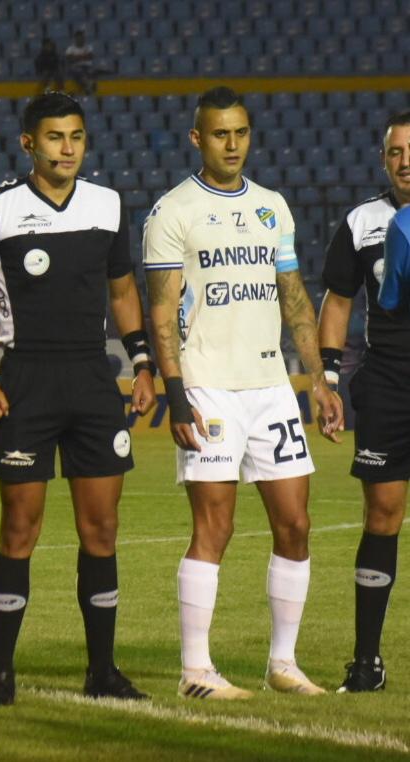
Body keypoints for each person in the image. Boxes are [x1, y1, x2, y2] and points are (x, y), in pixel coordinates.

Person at [143, 86, 344, 700]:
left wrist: (318, 379)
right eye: (220, 134)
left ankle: (283, 663)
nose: (232, 144)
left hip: (270, 387)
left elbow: (294, 298)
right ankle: (196, 670)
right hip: (208, 388)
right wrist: (177, 395)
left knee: (297, 525)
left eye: (241, 133)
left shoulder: (272, 207)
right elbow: (160, 311)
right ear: (197, 139)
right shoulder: (172, 212)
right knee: (216, 527)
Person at [0, 92, 155, 706]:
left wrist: (143, 361)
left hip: (93, 380)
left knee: (102, 529)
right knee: (19, 529)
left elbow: (123, 293)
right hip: (25, 381)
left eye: (75, 136)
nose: (67, 147)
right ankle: (0, 676)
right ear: (29, 143)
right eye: (54, 137)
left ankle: (102, 672)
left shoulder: (108, 204)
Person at [320, 110, 410, 693]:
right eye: (397, 151)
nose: (407, 160)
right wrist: (326, 377)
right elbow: (337, 300)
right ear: (384, 159)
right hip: (389, 384)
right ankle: (366, 661)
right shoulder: (362, 222)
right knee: (382, 516)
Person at [63, 30, 96, 96]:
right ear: (75, 38)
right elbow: (69, 59)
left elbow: (90, 56)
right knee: (78, 71)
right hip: (75, 67)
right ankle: (88, 86)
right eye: (79, 38)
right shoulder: (71, 48)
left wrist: (76, 57)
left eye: (82, 37)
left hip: (87, 67)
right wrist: (83, 56)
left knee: (91, 71)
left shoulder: (88, 47)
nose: (80, 39)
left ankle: (87, 87)